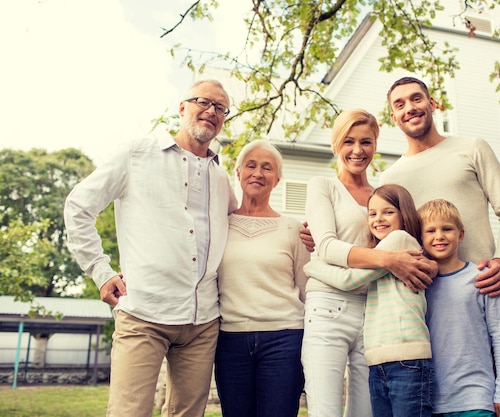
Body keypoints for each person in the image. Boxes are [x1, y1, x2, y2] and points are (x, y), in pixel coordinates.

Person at [64, 79, 238, 417]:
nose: (212, 111)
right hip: (144, 312)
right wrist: (101, 271)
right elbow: (78, 207)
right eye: (204, 102)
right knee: (128, 412)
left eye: (221, 108)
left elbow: (242, 224)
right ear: (182, 108)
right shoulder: (136, 154)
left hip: (203, 321)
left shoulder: (221, 177)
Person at [381, 76, 500, 417]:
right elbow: (381, 232)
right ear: (393, 117)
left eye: (416, 99)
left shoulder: (471, 148)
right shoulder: (392, 176)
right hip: (425, 306)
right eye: (399, 104)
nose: (410, 108)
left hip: (483, 292)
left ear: (433, 104)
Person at [302, 109, 436, 417]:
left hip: (374, 313)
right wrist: (390, 260)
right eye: (349, 141)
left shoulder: (381, 196)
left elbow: (408, 239)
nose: (358, 150)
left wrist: (428, 263)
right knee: (326, 411)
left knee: (366, 412)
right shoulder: (323, 186)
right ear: (337, 144)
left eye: (366, 141)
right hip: (328, 307)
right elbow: (326, 246)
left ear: (375, 144)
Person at [214, 140, 310, 417]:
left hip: (284, 340)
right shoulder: (220, 223)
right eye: (251, 165)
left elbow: (306, 290)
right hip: (230, 341)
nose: (258, 173)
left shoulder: (293, 229)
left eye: (267, 168)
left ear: (277, 180)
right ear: (238, 172)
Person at [419, 199, 500, 417]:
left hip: (476, 397)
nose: (439, 236)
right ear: (420, 238)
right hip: (430, 399)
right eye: (430, 230)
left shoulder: (482, 279)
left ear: (460, 235)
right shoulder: (419, 285)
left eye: (447, 229)